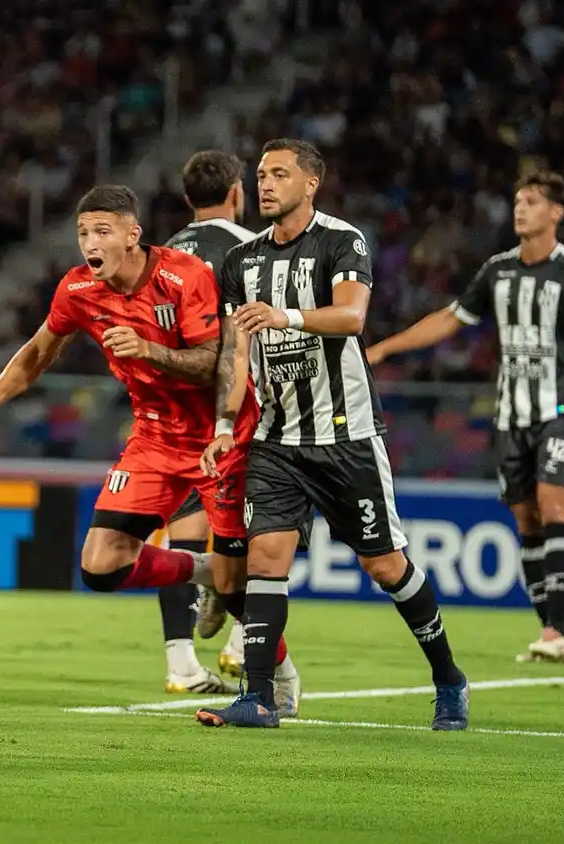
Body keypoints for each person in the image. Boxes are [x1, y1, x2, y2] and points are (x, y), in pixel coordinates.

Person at [0, 185, 299, 714]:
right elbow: (39, 349)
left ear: (133, 236)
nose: (90, 241)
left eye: (102, 231)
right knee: (101, 565)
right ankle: (202, 569)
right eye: (84, 232)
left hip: (221, 437)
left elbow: (218, 359)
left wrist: (151, 350)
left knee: (234, 590)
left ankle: (281, 676)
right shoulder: (78, 289)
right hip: (153, 439)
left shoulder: (185, 277)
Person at [196, 139, 469, 730]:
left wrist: (285, 315)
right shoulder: (241, 262)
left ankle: (448, 677)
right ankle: (259, 698)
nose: (264, 184)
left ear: (310, 183)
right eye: (260, 175)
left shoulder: (342, 241)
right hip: (276, 438)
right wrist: (223, 424)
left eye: (279, 174)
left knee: (385, 567)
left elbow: (352, 317)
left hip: (346, 436)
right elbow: (235, 352)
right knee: (266, 557)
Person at [367, 172, 564, 664]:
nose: (520, 209)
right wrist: (385, 348)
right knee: (527, 521)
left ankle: (557, 631)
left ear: (556, 212)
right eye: (517, 201)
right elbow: (450, 319)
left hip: (562, 413)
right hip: (509, 417)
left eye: (532, 202)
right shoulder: (498, 271)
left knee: (555, 505)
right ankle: (547, 628)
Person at [157, 150, 261, 690]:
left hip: (171, 410)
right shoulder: (249, 250)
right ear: (237, 192)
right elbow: (250, 337)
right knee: (247, 525)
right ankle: (243, 643)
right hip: (232, 409)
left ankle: (180, 665)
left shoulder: (162, 254)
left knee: (184, 538)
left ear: (187, 198)